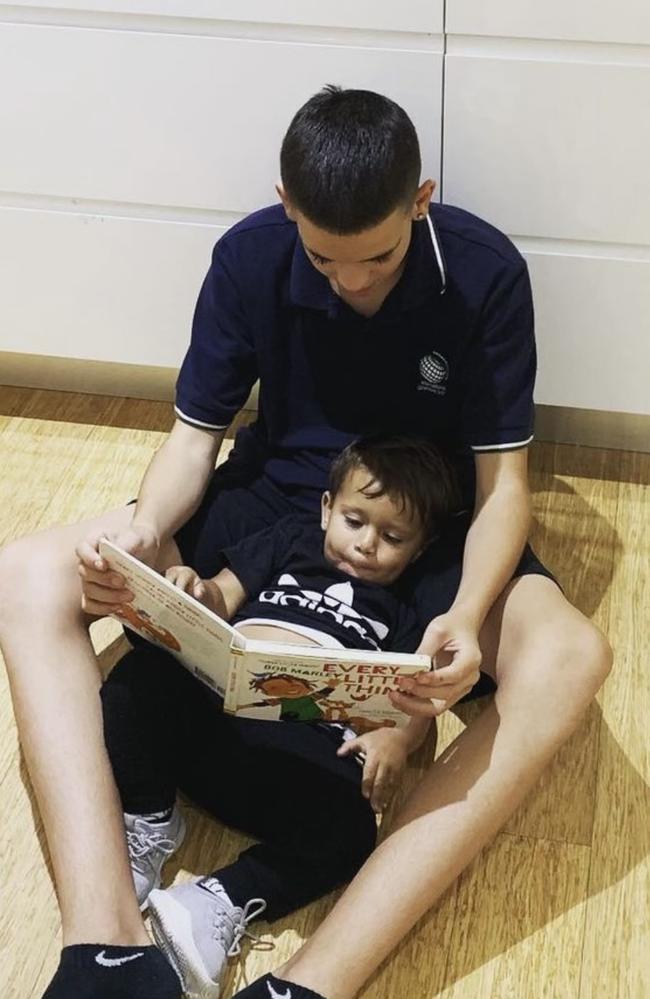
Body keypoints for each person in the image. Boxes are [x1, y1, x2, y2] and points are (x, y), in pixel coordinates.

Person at [0, 85, 612, 999]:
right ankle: (106, 947)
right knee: (25, 571)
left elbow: (503, 486)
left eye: (378, 257)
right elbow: (194, 440)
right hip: (282, 491)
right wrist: (146, 529)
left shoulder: (485, 274)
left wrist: (466, 612)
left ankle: (312, 984)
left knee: (573, 656)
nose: (354, 280)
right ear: (287, 210)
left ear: (422, 200)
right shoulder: (248, 256)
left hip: (434, 520)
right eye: (326, 259)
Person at [100, 435, 457, 999]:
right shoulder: (291, 540)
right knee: (135, 680)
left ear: (420, 547)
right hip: (214, 718)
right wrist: (192, 592)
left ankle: (218, 900)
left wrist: (397, 740)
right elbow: (222, 593)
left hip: (299, 758)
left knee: (354, 830)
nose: (366, 545)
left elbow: (412, 698)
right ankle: (149, 816)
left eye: (392, 537)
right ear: (325, 509)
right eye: (354, 520)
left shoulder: (413, 603)